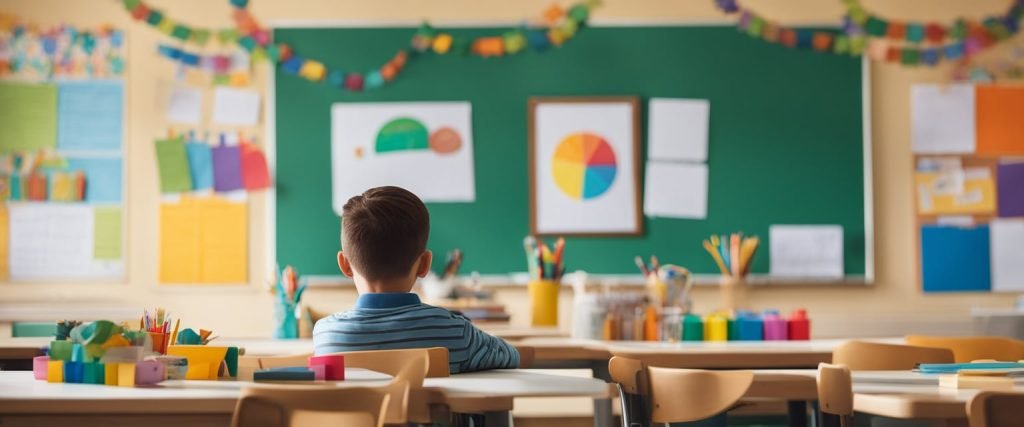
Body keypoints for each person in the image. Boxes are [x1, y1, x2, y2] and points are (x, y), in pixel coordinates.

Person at [313, 186, 520, 373]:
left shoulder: (327, 335)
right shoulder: (454, 333)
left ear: (344, 264)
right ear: (425, 264)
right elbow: (511, 356)